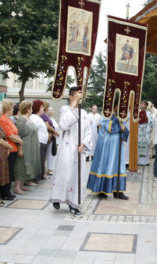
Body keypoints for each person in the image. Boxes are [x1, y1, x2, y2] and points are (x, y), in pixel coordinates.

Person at [50, 87, 92, 217]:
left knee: (77, 177)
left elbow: (88, 131)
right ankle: (57, 197)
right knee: (65, 175)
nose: (81, 95)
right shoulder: (65, 110)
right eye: (78, 93)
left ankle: (73, 204)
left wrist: (84, 144)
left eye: (82, 93)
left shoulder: (84, 112)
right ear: (71, 96)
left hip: (79, 150)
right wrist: (73, 106)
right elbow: (64, 125)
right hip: (67, 148)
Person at [87, 104, 130, 200]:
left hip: (117, 145)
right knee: (106, 165)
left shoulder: (118, 116)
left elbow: (124, 128)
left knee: (119, 167)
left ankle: (118, 191)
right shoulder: (106, 115)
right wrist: (121, 127)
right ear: (114, 106)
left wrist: (124, 129)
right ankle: (101, 190)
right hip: (108, 146)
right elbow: (109, 128)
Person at [0, 99, 22, 200]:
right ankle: (5, 193)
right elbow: (9, 135)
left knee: (10, 171)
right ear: (7, 108)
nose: (13, 109)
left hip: (13, 148)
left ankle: (7, 191)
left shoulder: (8, 119)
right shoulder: (2, 119)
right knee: (7, 172)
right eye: (12, 107)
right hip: (9, 149)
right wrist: (20, 141)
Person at [14, 101, 40, 193]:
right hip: (25, 146)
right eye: (31, 108)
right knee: (21, 165)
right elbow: (18, 134)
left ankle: (22, 184)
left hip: (31, 146)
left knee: (27, 165)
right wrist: (20, 148)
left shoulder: (28, 119)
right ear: (28, 109)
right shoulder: (21, 120)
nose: (32, 110)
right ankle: (17, 186)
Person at [30, 100, 49, 182]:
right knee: (38, 161)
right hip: (39, 142)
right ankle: (36, 177)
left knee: (42, 160)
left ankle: (40, 176)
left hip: (43, 142)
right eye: (41, 107)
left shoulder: (39, 118)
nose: (43, 109)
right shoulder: (34, 118)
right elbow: (34, 130)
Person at [40, 101, 59, 177]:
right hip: (48, 136)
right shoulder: (44, 116)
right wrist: (54, 131)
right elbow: (47, 126)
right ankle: (46, 170)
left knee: (50, 153)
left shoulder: (47, 117)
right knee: (45, 155)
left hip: (51, 137)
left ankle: (48, 169)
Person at [138, 100, 153, 166]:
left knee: (145, 146)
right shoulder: (138, 112)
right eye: (141, 103)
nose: (141, 105)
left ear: (146, 106)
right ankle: (138, 161)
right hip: (139, 131)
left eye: (143, 104)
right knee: (139, 146)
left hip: (146, 132)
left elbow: (152, 123)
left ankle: (145, 161)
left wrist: (147, 118)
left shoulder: (149, 113)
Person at [46, 107, 59, 176]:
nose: (54, 111)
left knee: (53, 153)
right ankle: (49, 168)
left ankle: (52, 168)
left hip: (56, 138)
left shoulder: (53, 119)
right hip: (52, 138)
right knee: (50, 153)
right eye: (52, 110)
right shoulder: (48, 119)